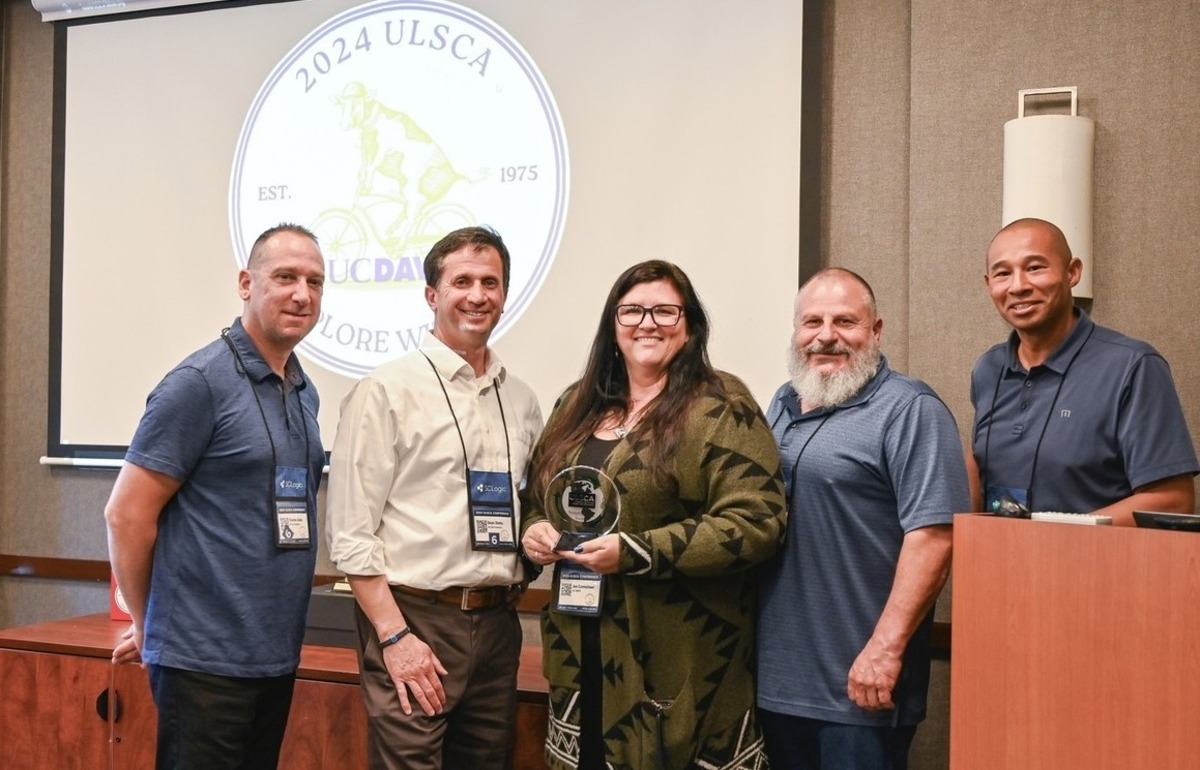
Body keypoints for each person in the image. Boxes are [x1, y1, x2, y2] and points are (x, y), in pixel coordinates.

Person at [520, 260, 787, 770]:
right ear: (612, 324)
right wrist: (535, 528)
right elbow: (538, 496)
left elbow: (758, 522)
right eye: (633, 310)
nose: (648, 322)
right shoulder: (575, 404)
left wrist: (636, 551)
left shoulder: (721, 404)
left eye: (665, 310)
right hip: (581, 652)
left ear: (689, 325)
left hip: (678, 662)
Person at [104, 223, 327, 769]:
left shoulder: (302, 389)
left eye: (315, 281)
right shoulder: (198, 383)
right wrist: (145, 619)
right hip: (202, 659)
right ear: (247, 283)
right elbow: (127, 514)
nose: (302, 293)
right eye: (285, 277)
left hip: (273, 654)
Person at [325, 226, 544, 770]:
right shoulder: (386, 390)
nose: (477, 295)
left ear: (504, 293)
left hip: (497, 624)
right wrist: (395, 636)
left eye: (490, 282)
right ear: (431, 295)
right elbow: (351, 534)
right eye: (461, 281)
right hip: (416, 619)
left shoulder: (520, 399)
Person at [757, 268, 969, 770]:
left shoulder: (910, 409)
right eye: (812, 321)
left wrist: (885, 650)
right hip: (776, 683)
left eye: (845, 321)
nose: (826, 335)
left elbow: (935, 537)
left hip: (861, 687)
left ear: (875, 330)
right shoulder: (781, 404)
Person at [968, 218, 1198, 523]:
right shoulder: (988, 369)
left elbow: (1173, 501)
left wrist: (1060, 540)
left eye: (1035, 268)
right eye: (1003, 273)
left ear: (1072, 272)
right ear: (989, 285)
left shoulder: (1131, 366)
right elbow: (979, 467)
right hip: (1005, 563)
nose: (1018, 286)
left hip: (1100, 566)